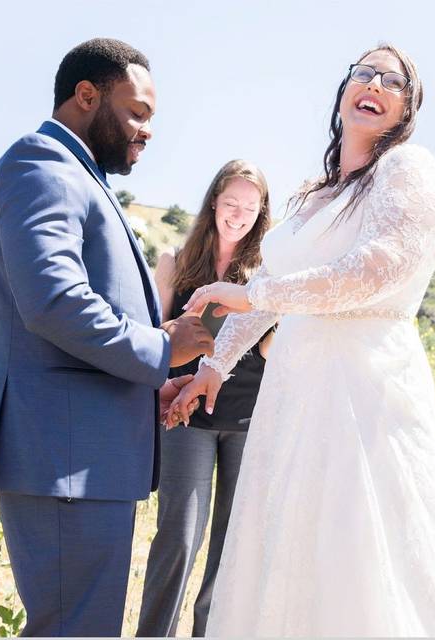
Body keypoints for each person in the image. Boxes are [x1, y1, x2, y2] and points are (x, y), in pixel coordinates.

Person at [168, 43, 435, 635]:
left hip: (361, 391)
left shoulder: (408, 169)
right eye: (364, 72)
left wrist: (256, 296)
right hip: (292, 399)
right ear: (344, 90)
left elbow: (375, 271)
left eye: (391, 80)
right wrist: (214, 366)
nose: (373, 83)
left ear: (406, 110)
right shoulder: (316, 195)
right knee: (282, 556)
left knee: (354, 553)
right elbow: (271, 289)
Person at [0, 38, 213, 637]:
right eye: (138, 112)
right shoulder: (42, 164)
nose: (147, 130)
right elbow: (55, 302)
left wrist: (141, 389)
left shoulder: (78, 174)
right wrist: (162, 349)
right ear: (87, 95)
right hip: (64, 457)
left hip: (81, 454)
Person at [136, 160, 272, 637]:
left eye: (249, 209)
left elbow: (272, 348)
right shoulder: (176, 260)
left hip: (248, 420)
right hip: (184, 414)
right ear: (214, 200)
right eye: (231, 203)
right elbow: (155, 335)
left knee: (229, 548)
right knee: (178, 536)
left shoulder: (264, 273)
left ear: (261, 214)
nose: (238, 215)